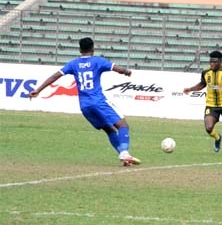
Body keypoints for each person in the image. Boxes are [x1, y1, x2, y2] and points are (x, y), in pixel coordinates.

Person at [29, 37, 141, 166]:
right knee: (123, 126)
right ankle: (125, 153)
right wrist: (127, 72)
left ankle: (124, 157)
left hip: (85, 106)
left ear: (80, 49)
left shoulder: (73, 64)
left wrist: (38, 90)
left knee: (109, 130)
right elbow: (119, 69)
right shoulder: (98, 61)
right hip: (99, 102)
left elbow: (55, 76)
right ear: (93, 48)